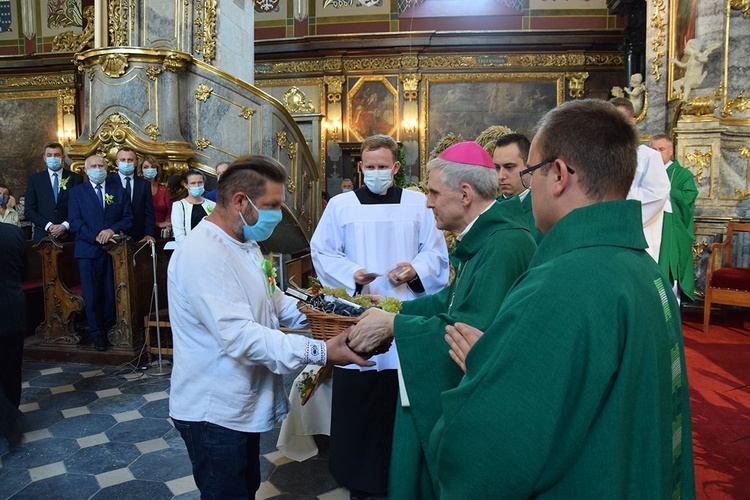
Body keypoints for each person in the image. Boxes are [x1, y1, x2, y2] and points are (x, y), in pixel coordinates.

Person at [350, 99, 695, 497]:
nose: (520, 189)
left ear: (560, 175)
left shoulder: (564, 282)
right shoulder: (641, 267)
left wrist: (488, 370)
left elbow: (496, 448)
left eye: (528, 172)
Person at [168, 155, 371, 498]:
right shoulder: (202, 253)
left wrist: (341, 313)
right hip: (214, 408)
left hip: (239, 401)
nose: (277, 213)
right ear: (239, 201)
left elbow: (274, 302)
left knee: (245, 488)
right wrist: (321, 350)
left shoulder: (245, 243)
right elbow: (241, 337)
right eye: (272, 205)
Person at [347, 141, 537, 499]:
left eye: (434, 192)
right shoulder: (486, 238)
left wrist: (393, 327)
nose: (428, 202)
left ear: (464, 194)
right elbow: (451, 300)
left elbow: (469, 330)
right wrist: (395, 309)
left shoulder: (504, 244)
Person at [310, 134, 449, 498]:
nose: (375, 173)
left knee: (398, 407)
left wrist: (414, 270)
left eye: (382, 167)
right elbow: (322, 251)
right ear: (360, 167)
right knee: (360, 406)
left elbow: (436, 254)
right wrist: (352, 274)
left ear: (396, 167)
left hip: (405, 317)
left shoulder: (419, 204)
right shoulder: (341, 206)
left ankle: (402, 477)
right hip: (359, 319)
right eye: (369, 167)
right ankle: (356, 478)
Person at [68, 155, 133, 351]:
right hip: (88, 251)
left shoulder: (118, 191)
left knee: (110, 293)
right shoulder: (76, 193)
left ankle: (110, 329)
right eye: (93, 166)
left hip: (113, 252)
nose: (98, 169)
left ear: (107, 168)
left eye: (101, 165)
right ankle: (97, 334)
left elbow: (128, 218)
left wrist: (111, 231)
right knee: (92, 294)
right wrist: (96, 235)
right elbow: (74, 221)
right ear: (86, 170)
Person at [611, 97, 671, 261]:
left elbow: (658, 194)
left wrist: (616, 199)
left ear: (633, 121)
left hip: (638, 231)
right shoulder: (601, 156)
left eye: (621, 119)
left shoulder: (648, 156)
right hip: (606, 231)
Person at [651, 133, 699, 302]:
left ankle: (671, 316)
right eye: (653, 150)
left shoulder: (682, 175)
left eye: (661, 149)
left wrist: (667, 189)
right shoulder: (645, 173)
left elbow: (688, 198)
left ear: (670, 150)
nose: (657, 154)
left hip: (671, 228)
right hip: (650, 229)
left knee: (668, 270)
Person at [24, 142, 83, 243]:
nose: (53, 158)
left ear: (63, 158)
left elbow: (81, 207)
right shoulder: (35, 180)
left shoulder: (75, 179)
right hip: (43, 236)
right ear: (44, 158)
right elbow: (29, 210)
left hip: (69, 236)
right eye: (49, 155)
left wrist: (64, 226)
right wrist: (49, 226)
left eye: (57, 155)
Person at [0, 222, 26, 449]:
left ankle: (9, 420)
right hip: (15, 307)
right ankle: (13, 412)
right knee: (12, 367)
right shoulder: (14, 233)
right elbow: (23, 272)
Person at [492, 133, 544, 243]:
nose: (501, 176)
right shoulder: (489, 211)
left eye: (509, 167)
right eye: (497, 167)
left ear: (528, 166)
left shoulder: (544, 211)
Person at [108, 147, 155, 244]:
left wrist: (149, 234)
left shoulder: (144, 184)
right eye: (123, 160)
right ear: (117, 162)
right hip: (113, 236)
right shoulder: (108, 182)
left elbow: (149, 212)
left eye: (130, 160)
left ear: (136, 162)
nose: (126, 163)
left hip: (138, 236)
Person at [171, 169, 215, 245]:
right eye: (193, 183)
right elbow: (179, 235)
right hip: (188, 248)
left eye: (200, 183)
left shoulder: (212, 205)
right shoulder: (179, 206)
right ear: (186, 185)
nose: (197, 186)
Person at [139, 155, 172, 238]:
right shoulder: (137, 189)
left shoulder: (163, 189)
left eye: (153, 167)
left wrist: (168, 223)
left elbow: (169, 211)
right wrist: (158, 224)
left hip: (162, 232)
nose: (150, 169)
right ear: (141, 170)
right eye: (146, 167)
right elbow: (138, 214)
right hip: (143, 231)